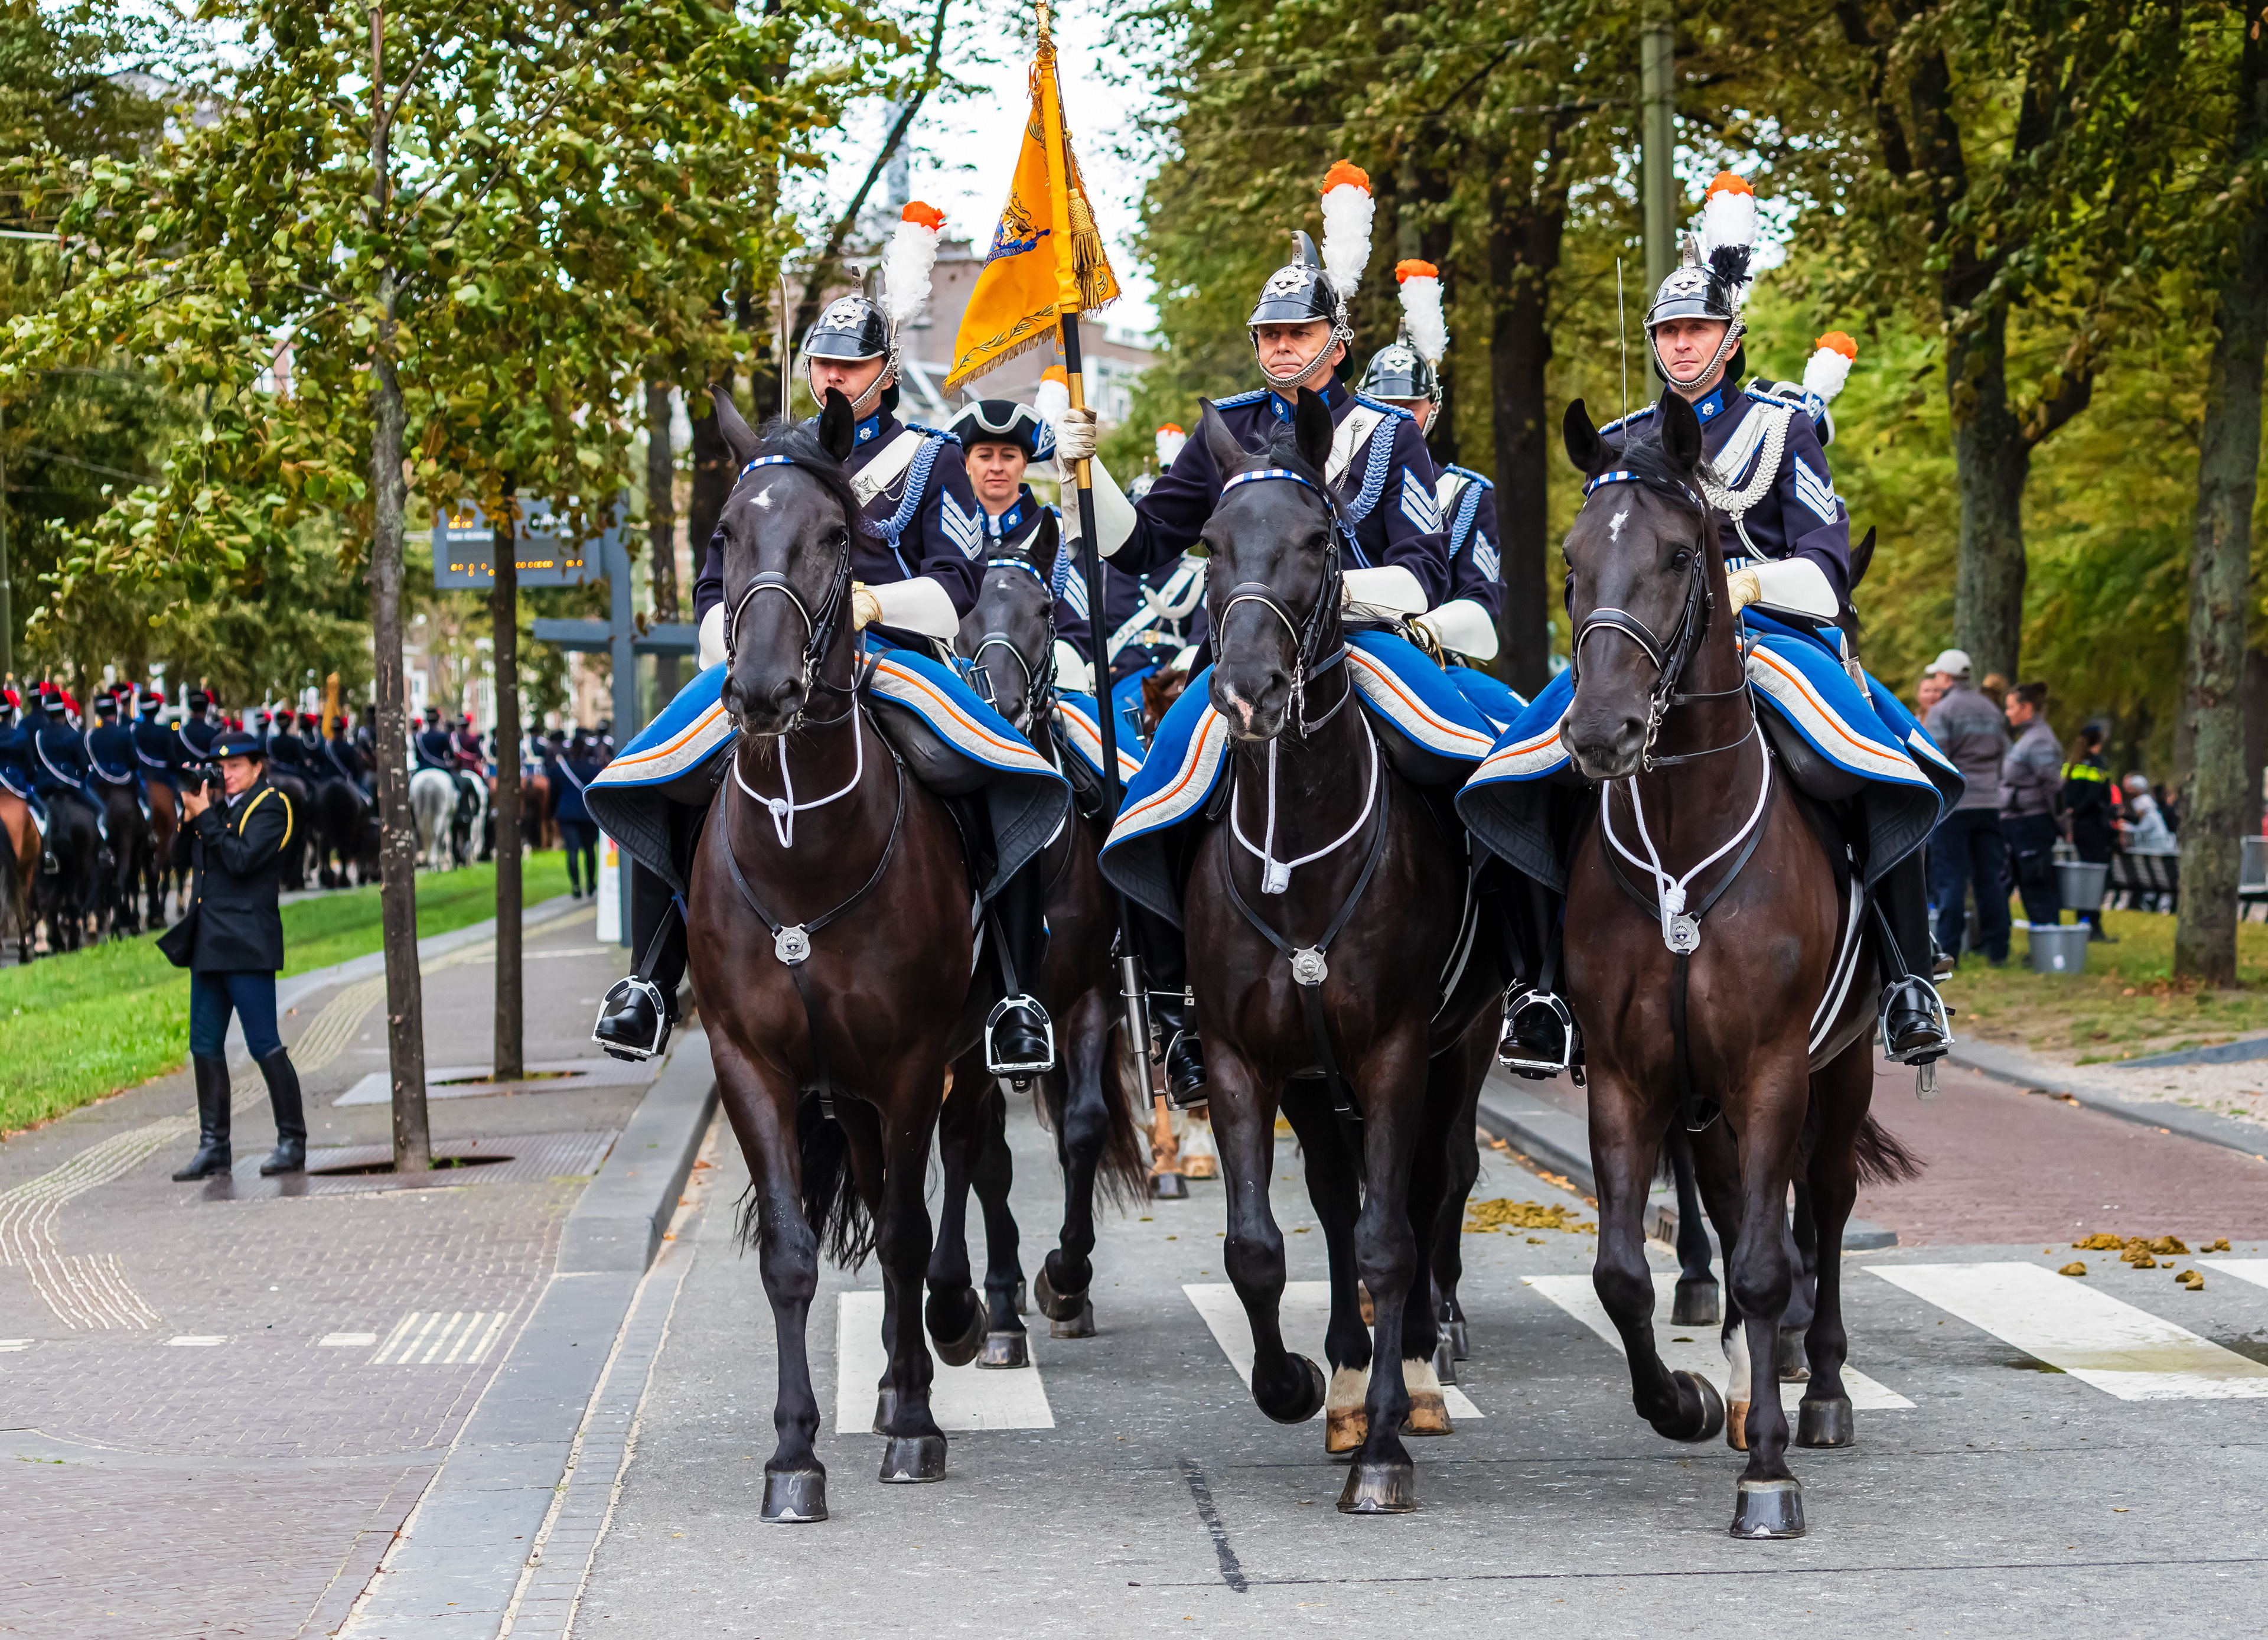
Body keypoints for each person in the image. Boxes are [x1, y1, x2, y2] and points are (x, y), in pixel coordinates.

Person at [1465, 173, 1957, 1073]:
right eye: (1668, 333)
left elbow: (1824, 561)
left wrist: (1751, 586)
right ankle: (1540, 989)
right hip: (1646, 645)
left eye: (1697, 331)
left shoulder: (1782, 426)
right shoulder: (1618, 441)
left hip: (1763, 641)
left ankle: (1905, 978)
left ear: (1730, 340)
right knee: (1520, 763)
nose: (1682, 345)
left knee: (1888, 757)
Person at [586, 206, 1068, 1078]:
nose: (837, 375)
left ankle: (1013, 993)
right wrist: (717, 638)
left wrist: (873, 609)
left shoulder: (928, 459)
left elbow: (956, 589)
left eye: (854, 363)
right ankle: (651, 978)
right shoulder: (766, 467)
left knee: (1006, 769)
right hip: (769, 658)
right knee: (653, 775)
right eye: (826, 362)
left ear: (885, 373)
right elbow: (714, 578)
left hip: (894, 664)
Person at [1064, 162, 1484, 1104]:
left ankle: (1512, 968)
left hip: (1360, 655)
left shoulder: (1385, 434)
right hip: (1245, 663)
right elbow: (1139, 549)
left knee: (1484, 765)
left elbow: (1420, 572)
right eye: (1270, 336)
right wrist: (1087, 474)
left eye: (1298, 334)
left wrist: (1328, 601)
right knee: (1156, 798)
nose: (1282, 349)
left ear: (1336, 343)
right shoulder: (1227, 434)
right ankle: (1181, 1006)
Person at [1354, 258, 1527, 730]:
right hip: (1338, 648)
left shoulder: (1466, 493)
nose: (1397, 415)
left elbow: (1481, 601)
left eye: (1410, 404)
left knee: (1517, 734)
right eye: (1382, 404)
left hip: (1435, 663)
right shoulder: (1336, 477)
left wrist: (1429, 628)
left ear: (1434, 406)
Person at [163, 728, 306, 1179]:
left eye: (236, 767)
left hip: (246, 944)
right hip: (208, 942)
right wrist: (189, 815)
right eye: (221, 768)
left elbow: (243, 860)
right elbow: (174, 859)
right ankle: (214, 1145)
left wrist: (206, 817)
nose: (227, 774)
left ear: (258, 766)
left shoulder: (272, 806)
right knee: (203, 1046)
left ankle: (292, 1140)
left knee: (264, 1044)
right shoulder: (217, 807)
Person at [1923, 649, 2012, 966]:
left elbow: (1936, 759)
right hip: (1990, 803)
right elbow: (2004, 752)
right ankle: (1998, 948)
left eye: (1937, 675)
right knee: (1990, 877)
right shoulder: (1991, 710)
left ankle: (1949, 950)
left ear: (1946, 677)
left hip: (1956, 805)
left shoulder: (1942, 711)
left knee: (1951, 878)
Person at [2000, 680, 2063, 929]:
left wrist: (2061, 823)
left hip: (2032, 823)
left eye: (2011, 707)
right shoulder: (2029, 738)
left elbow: (2052, 786)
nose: (2007, 713)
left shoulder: (2040, 741)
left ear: (2027, 708)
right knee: (2027, 884)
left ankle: (2050, 944)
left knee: (2037, 885)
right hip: (2020, 822)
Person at [2058, 723, 2116, 942]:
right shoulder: (2098, 764)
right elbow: (2095, 796)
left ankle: (2082, 919)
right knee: (2095, 877)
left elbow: (2065, 793)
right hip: (2095, 826)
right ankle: (2093, 924)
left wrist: (2071, 814)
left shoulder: (2071, 764)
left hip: (2078, 826)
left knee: (2083, 875)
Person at [551, 728, 602, 898]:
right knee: (589, 850)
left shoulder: (560, 769)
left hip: (567, 813)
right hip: (587, 813)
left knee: (572, 851)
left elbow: (554, 793)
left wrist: (553, 812)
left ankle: (575, 886)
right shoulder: (593, 768)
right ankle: (591, 884)